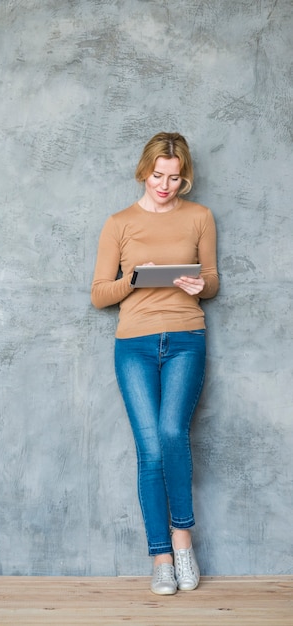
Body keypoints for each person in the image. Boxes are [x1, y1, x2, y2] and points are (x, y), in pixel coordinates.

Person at [91, 132, 219, 595]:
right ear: (144, 171)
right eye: (158, 175)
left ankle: (182, 540)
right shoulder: (119, 223)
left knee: (171, 434)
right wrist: (134, 279)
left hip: (186, 337)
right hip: (135, 345)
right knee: (149, 448)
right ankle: (160, 557)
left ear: (184, 177)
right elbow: (99, 294)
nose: (165, 185)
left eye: (175, 177)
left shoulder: (200, 217)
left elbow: (213, 281)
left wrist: (196, 287)